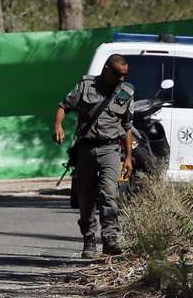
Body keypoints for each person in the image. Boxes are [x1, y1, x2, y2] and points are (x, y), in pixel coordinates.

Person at [53, 54, 135, 259]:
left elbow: (127, 127)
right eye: (117, 74)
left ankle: (110, 240)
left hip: (110, 150)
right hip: (86, 149)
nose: (121, 79)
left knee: (109, 193)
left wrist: (128, 158)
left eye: (125, 75)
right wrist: (58, 125)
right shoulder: (86, 85)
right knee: (86, 197)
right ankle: (89, 240)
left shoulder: (126, 92)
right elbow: (64, 106)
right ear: (107, 69)